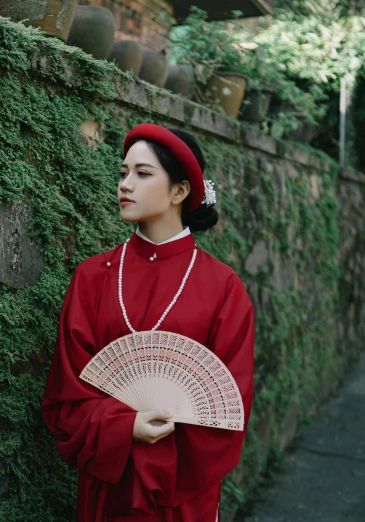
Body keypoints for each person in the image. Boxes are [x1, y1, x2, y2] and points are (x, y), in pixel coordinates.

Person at [42, 124, 254, 522]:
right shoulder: (92, 277)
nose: (125, 185)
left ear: (180, 191)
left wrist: (156, 455)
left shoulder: (224, 288)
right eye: (123, 173)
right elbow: (64, 398)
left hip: (180, 498)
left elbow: (229, 410)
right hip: (107, 487)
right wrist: (125, 428)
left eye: (142, 174)